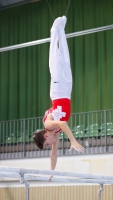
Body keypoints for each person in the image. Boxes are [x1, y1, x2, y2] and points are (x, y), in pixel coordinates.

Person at [33, 16, 84, 177]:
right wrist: (51, 173)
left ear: (46, 135)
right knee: (66, 60)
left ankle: (54, 31)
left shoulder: (48, 124)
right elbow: (54, 155)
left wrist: (73, 140)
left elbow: (62, 123)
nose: (50, 145)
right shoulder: (54, 133)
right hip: (67, 91)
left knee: (55, 60)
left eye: (47, 143)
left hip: (57, 90)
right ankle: (62, 30)